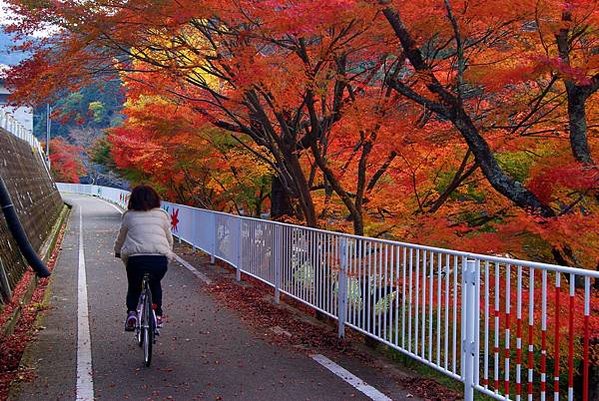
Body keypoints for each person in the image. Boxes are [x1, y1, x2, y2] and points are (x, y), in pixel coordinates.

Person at [114, 185, 174, 331]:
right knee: (155, 283)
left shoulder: (129, 215)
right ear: (155, 199)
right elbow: (169, 239)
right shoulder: (163, 215)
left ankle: (132, 313)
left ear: (133, 200)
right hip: (159, 259)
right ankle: (158, 315)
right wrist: (167, 252)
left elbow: (121, 238)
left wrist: (117, 251)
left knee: (134, 286)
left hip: (136, 260)